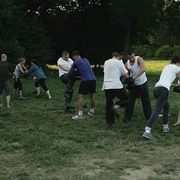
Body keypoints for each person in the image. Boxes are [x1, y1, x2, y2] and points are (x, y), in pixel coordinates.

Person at [143, 55, 180, 141]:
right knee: (157, 110)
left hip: (157, 89)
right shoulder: (177, 68)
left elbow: (166, 80)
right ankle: (147, 131)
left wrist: (174, 85)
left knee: (166, 106)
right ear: (178, 62)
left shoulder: (166, 67)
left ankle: (165, 127)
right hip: (163, 91)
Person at [102, 52, 129, 128]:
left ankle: (110, 123)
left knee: (109, 104)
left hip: (107, 86)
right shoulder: (119, 62)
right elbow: (126, 75)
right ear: (117, 57)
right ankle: (117, 105)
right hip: (116, 85)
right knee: (127, 99)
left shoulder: (106, 62)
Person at [123, 49, 152, 122]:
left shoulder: (139, 59)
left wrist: (133, 77)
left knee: (146, 100)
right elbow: (124, 72)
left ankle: (149, 116)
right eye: (129, 58)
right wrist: (127, 79)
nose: (131, 59)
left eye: (132, 56)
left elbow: (143, 69)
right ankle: (127, 117)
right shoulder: (127, 64)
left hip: (142, 83)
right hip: (133, 85)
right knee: (130, 101)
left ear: (134, 54)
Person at [68, 51, 96, 120]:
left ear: (74, 56)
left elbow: (70, 73)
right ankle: (92, 111)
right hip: (93, 79)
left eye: (73, 58)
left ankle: (80, 114)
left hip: (86, 79)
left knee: (80, 95)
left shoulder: (76, 62)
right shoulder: (86, 59)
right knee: (91, 95)